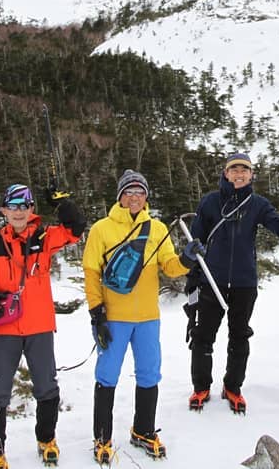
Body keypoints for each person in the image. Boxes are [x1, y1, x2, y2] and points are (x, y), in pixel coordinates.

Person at [82, 170, 204, 464]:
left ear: (146, 197)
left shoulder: (158, 229)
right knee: (107, 375)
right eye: (129, 192)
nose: (134, 197)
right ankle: (102, 438)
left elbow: (170, 267)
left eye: (139, 192)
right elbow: (91, 271)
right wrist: (97, 312)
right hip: (114, 317)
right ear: (120, 196)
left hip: (148, 317)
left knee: (150, 373)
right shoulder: (102, 229)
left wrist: (187, 259)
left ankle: (143, 431)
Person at [0, 184, 87, 468]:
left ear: (31, 210)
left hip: (39, 326)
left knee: (46, 387)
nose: (18, 212)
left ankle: (46, 439)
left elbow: (76, 229)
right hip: (5, 328)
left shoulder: (45, 236)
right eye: (13, 206)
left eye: (24, 206)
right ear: (4, 210)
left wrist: (63, 202)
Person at [186, 152, 279, 413]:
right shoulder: (210, 202)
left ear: (251, 175)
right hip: (213, 281)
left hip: (244, 283)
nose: (239, 174)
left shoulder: (258, 204)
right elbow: (195, 243)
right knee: (203, 336)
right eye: (234, 169)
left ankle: (233, 386)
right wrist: (194, 276)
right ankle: (201, 387)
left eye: (244, 170)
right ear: (225, 173)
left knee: (239, 336)